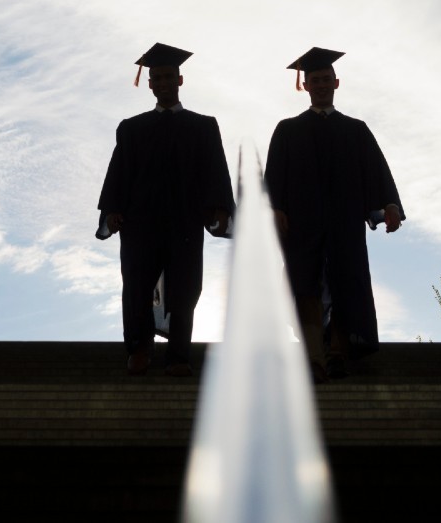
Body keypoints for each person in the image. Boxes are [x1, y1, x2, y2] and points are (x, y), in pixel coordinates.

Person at [265, 47, 404, 383]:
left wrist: (390, 205)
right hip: (302, 222)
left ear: (336, 82)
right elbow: (274, 177)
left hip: (344, 221)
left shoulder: (356, 130)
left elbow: (376, 171)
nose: (322, 84)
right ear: (305, 85)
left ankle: (338, 353)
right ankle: (314, 357)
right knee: (305, 285)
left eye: (327, 79)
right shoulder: (287, 130)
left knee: (346, 284)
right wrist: (275, 209)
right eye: (315, 80)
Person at [96, 43, 234, 377]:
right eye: (156, 77)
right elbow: (119, 171)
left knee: (186, 287)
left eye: (168, 76)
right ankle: (140, 349)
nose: (163, 82)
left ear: (180, 80)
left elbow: (215, 169)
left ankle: (178, 355)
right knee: (137, 287)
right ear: (150, 84)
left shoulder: (203, 126)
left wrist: (219, 208)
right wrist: (112, 209)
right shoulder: (132, 128)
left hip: (185, 219)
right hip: (139, 220)